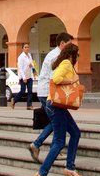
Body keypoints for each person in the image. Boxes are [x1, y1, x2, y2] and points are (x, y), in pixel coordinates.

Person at [32, 43, 82, 176]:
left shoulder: (64, 63)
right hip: (55, 106)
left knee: (75, 133)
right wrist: (72, 81)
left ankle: (70, 169)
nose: (78, 58)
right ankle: (41, 175)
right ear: (72, 54)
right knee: (59, 142)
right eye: (77, 55)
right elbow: (56, 79)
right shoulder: (66, 63)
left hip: (57, 106)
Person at [27, 32, 73, 163]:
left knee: (55, 122)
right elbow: (55, 78)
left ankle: (47, 147)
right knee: (56, 122)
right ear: (62, 43)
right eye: (69, 44)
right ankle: (37, 144)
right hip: (48, 92)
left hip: (46, 91)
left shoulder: (55, 54)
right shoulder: (56, 56)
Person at [12, 43, 35, 109]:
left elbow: (32, 63)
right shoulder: (21, 57)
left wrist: (32, 65)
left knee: (30, 91)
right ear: (22, 49)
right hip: (23, 76)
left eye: (28, 47)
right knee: (23, 91)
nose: (27, 48)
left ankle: (29, 105)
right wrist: (24, 77)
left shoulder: (29, 55)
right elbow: (20, 68)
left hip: (30, 75)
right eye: (25, 47)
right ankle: (14, 100)